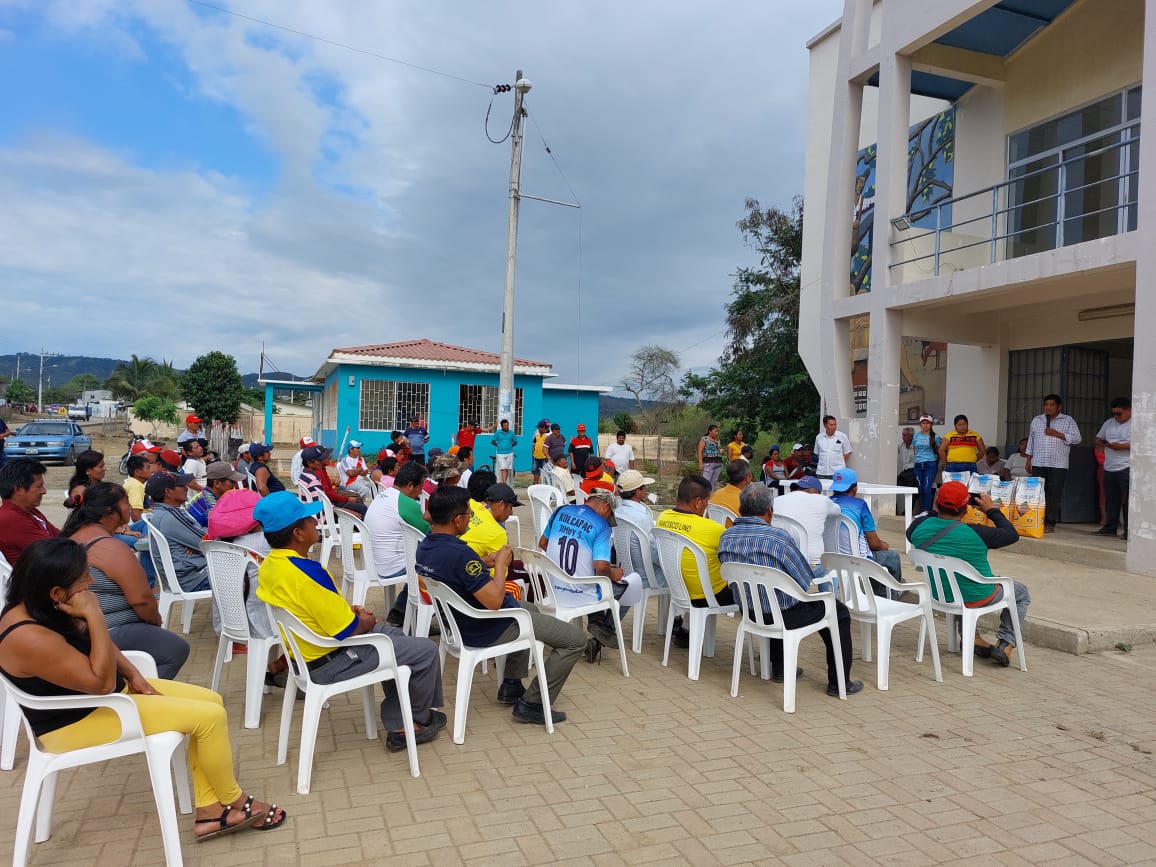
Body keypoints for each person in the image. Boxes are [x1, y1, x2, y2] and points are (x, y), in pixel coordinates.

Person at [0, 537, 287, 840]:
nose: (91, 582)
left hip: (105, 699)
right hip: (76, 722)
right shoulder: (28, 637)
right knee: (209, 718)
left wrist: (134, 674)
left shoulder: (45, 605)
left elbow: (97, 645)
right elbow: (101, 684)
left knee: (212, 701)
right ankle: (234, 800)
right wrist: (95, 614)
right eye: (84, 578)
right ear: (56, 591)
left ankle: (210, 811)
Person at [254, 492, 446, 752]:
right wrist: (363, 620)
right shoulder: (306, 573)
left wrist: (348, 611)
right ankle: (412, 724)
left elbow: (311, 608)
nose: (316, 522)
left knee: (398, 639)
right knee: (425, 651)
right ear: (298, 533)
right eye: (309, 520)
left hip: (308, 654)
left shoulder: (271, 565)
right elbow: (346, 629)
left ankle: (402, 714)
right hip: (332, 659)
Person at [416, 486, 585, 726]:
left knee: (531, 609)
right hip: (486, 626)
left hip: (458, 621)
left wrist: (483, 562)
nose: (471, 518)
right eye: (469, 515)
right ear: (457, 520)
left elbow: (458, 572)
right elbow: (495, 601)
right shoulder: (460, 553)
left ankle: (512, 683)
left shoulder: (425, 546)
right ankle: (533, 704)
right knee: (575, 640)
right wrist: (501, 565)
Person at [718, 485, 861, 696]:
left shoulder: (726, 537)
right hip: (783, 615)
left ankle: (780, 668)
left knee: (775, 597)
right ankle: (839, 683)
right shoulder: (778, 538)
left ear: (740, 510)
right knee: (837, 611)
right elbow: (804, 581)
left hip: (750, 612)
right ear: (770, 511)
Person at [59, 483, 190, 679]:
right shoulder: (111, 548)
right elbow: (142, 600)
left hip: (89, 629)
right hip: (107, 630)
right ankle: (139, 692)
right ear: (110, 512)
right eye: (126, 502)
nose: (130, 507)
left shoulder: (72, 537)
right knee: (176, 648)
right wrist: (155, 621)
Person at [907, 481, 1030, 666]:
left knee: (957, 583)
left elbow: (920, 523)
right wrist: (991, 510)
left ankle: (973, 638)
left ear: (936, 503)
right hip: (978, 595)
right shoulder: (976, 532)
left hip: (941, 593)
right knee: (1021, 593)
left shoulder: (917, 528)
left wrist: (936, 509)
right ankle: (1006, 643)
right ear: (965, 509)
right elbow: (1011, 534)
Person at [655, 474, 732, 648]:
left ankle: (686, 630)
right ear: (698, 502)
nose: (706, 506)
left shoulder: (663, 517)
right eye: (706, 502)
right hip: (709, 595)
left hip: (679, 590)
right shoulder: (712, 529)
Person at [367, 462, 432, 629]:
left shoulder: (383, 495)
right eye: (420, 488)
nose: (420, 492)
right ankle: (411, 613)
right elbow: (430, 533)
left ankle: (401, 611)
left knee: (423, 554)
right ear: (410, 485)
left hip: (375, 561)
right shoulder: (405, 503)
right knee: (434, 562)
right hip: (391, 566)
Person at [830, 468, 902, 591]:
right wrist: (882, 545)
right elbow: (874, 544)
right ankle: (890, 593)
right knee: (892, 556)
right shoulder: (860, 505)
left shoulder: (827, 503)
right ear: (855, 488)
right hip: (856, 560)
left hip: (831, 559)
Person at [145, 471, 211, 592]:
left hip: (184, 578)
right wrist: (198, 546)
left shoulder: (163, 512)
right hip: (193, 580)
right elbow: (208, 542)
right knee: (242, 571)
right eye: (181, 485)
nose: (186, 488)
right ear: (168, 492)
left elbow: (201, 540)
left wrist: (195, 546)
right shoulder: (170, 515)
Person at [1025, 394, 1082, 533]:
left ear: (1059, 407)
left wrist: (1057, 433)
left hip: (1058, 464)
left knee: (1054, 494)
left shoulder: (1068, 420)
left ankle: (1050, 523)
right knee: (1038, 493)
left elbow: (1077, 438)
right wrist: (1028, 459)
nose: (1048, 407)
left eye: (1052, 405)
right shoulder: (1037, 420)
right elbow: (1031, 441)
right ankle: (1037, 520)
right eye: (1046, 405)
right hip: (1038, 462)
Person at [770, 474, 842, 568]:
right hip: (811, 564)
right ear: (816, 492)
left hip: (779, 562)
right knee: (833, 571)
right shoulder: (822, 500)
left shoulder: (776, 500)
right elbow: (837, 511)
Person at [0, 460, 58, 565]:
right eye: (39, 486)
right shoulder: (12, 519)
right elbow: (54, 552)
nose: (44, 491)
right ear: (18, 490)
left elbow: (60, 535)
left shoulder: (29, 510)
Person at [615, 469, 664, 586]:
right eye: (644, 487)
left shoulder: (617, 512)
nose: (646, 490)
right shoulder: (641, 517)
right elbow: (655, 554)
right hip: (648, 578)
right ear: (638, 492)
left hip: (627, 572)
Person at [1094, 397, 1131, 540]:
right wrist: (1102, 443)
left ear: (1129, 410)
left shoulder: (1137, 423)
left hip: (1127, 466)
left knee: (1128, 500)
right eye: (1113, 413)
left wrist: (1122, 446)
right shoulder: (1109, 423)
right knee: (1111, 499)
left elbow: (1143, 444)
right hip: (1109, 466)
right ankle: (1110, 528)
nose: (1116, 416)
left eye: (1119, 413)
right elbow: (1097, 438)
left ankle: (1128, 530)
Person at [298, 446, 367, 518]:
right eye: (319, 460)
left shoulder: (304, 474)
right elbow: (321, 506)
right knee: (361, 508)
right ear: (309, 463)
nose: (329, 457)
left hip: (321, 509)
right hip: (323, 517)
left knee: (356, 501)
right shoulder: (314, 480)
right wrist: (345, 510)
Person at [188, 460, 247, 527]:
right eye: (232, 481)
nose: (235, 485)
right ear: (217, 483)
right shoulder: (213, 509)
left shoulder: (203, 495)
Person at [709, 460, 753, 525]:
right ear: (747, 478)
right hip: (735, 531)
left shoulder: (715, 494)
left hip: (713, 529)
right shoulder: (746, 502)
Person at [912, 416, 940, 513]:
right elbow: (915, 449)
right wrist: (919, 459)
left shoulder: (936, 437)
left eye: (927, 423)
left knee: (927, 488)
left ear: (931, 424)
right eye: (923, 423)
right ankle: (922, 511)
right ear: (920, 425)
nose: (925, 425)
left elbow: (939, 451)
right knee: (920, 488)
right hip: (918, 464)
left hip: (930, 464)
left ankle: (926, 511)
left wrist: (935, 463)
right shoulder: (916, 436)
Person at [696, 425, 724, 490]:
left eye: (717, 431)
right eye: (715, 431)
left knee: (714, 482)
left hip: (718, 462)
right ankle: (704, 495)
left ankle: (711, 495)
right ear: (710, 431)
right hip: (708, 462)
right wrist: (700, 463)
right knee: (706, 481)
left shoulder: (717, 440)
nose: (717, 433)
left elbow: (717, 450)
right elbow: (700, 451)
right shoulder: (704, 439)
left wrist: (721, 451)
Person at [491, 419, 518, 484]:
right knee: (503, 468)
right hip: (500, 453)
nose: (506, 426)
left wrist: (511, 445)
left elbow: (515, 442)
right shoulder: (498, 433)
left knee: (507, 468)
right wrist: (498, 446)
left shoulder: (511, 433)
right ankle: (504, 483)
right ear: (502, 426)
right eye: (505, 425)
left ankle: (504, 482)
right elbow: (493, 441)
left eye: (507, 425)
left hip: (509, 453)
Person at [897, 427, 917, 504]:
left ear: (911, 436)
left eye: (905, 435)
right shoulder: (901, 445)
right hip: (904, 471)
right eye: (903, 435)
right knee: (895, 484)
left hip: (914, 471)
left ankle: (909, 508)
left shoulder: (916, 446)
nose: (903, 437)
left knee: (911, 492)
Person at [530, 419, 551, 483]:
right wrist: (533, 454)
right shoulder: (536, 435)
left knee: (545, 471)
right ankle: (535, 483)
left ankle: (545, 484)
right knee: (536, 471)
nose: (539, 429)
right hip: (536, 457)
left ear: (544, 428)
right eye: (539, 427)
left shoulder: (548, 436)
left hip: (544, 457)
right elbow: (533, 445)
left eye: (540, 427)